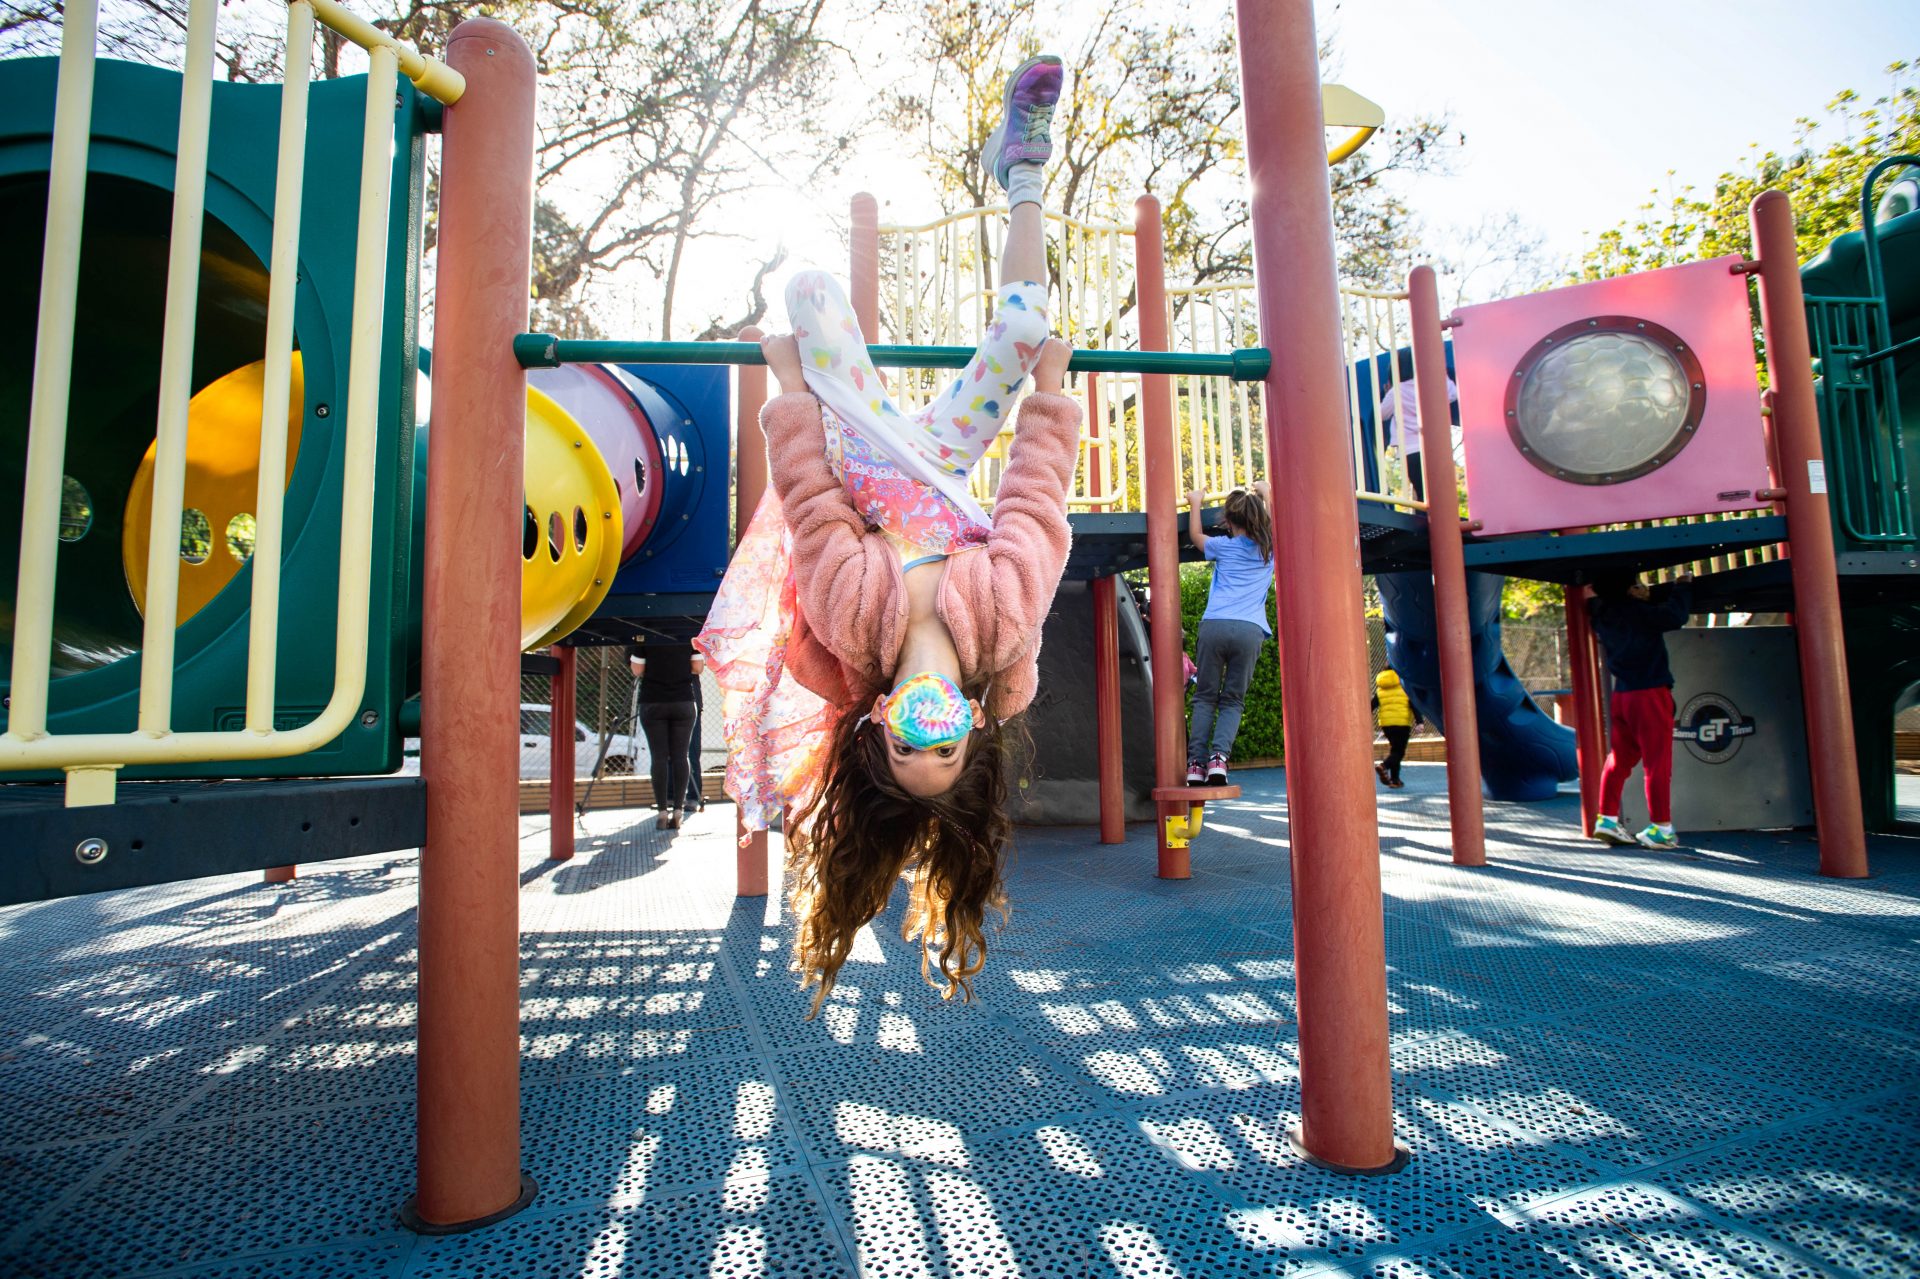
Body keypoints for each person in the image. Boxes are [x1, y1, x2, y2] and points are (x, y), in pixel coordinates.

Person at [697, 54, 1074, 1013]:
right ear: (973, 731)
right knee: (1031, 319)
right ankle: (1022, 168)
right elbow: (1034, 504)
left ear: (879, 723)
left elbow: (815, 504)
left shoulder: (854, 624)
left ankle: (839, 338)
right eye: (943, 749)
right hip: (946, 460)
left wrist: (789, 391)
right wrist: (1052, 396)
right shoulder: (1001, 632)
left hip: (864, 453)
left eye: (909, 745)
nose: (927, 732)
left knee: (813, 290)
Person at [1586, 569, 1693, 850]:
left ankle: (1607, 819)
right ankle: (1661, 827)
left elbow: (1596, 601)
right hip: (1649, 693)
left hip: (1622, 694)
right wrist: (1682, 588)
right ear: (1630, 590)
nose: (1645, 588)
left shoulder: (1602, 614)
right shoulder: (1639, 613)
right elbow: (1674, 617)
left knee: (1619, 758)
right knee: (1657, 762)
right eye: (1640, 583)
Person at [1182, 481, 1274, 786]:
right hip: (1249, 630)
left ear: (1228, 521)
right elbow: (1275, 525)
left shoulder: (1223, 546)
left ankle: (1195, 764)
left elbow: (1196, 536)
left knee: (1205, 697)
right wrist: (1266, 493)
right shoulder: (1268, 549)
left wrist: (1196, 501)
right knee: (1233, 700)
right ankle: (1219, 761)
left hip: (1215, 625)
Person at [628, 640, 702, 830]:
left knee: (659, 757)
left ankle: (662, 811)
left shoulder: (644, 637)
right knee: (681, 756)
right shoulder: (688, 635)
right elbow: (698, 667)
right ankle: (678, 809)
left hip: (653, 701)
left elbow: (637, 670)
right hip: (683, 700)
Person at [1375, 348, 1458, 501]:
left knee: (1422, 492)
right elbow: (1453, 395)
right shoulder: (1432, 386)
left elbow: (1381, 414)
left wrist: (1387, 393)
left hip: (1410, 449)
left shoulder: (1397, 391)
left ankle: (1426, 519)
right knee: (1441, 492)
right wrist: (1442, 375)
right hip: (1435, 446)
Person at [1371, 667, 1417, 789]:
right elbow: (1413, 704)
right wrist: (1420, 722)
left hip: (1386, 725)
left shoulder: (1380, 690)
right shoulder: (1404, 687)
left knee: (1395, 750)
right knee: (1399, 752)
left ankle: (1395, 780)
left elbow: (1371, 705)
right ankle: (1384, 766)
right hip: (1402, 723)